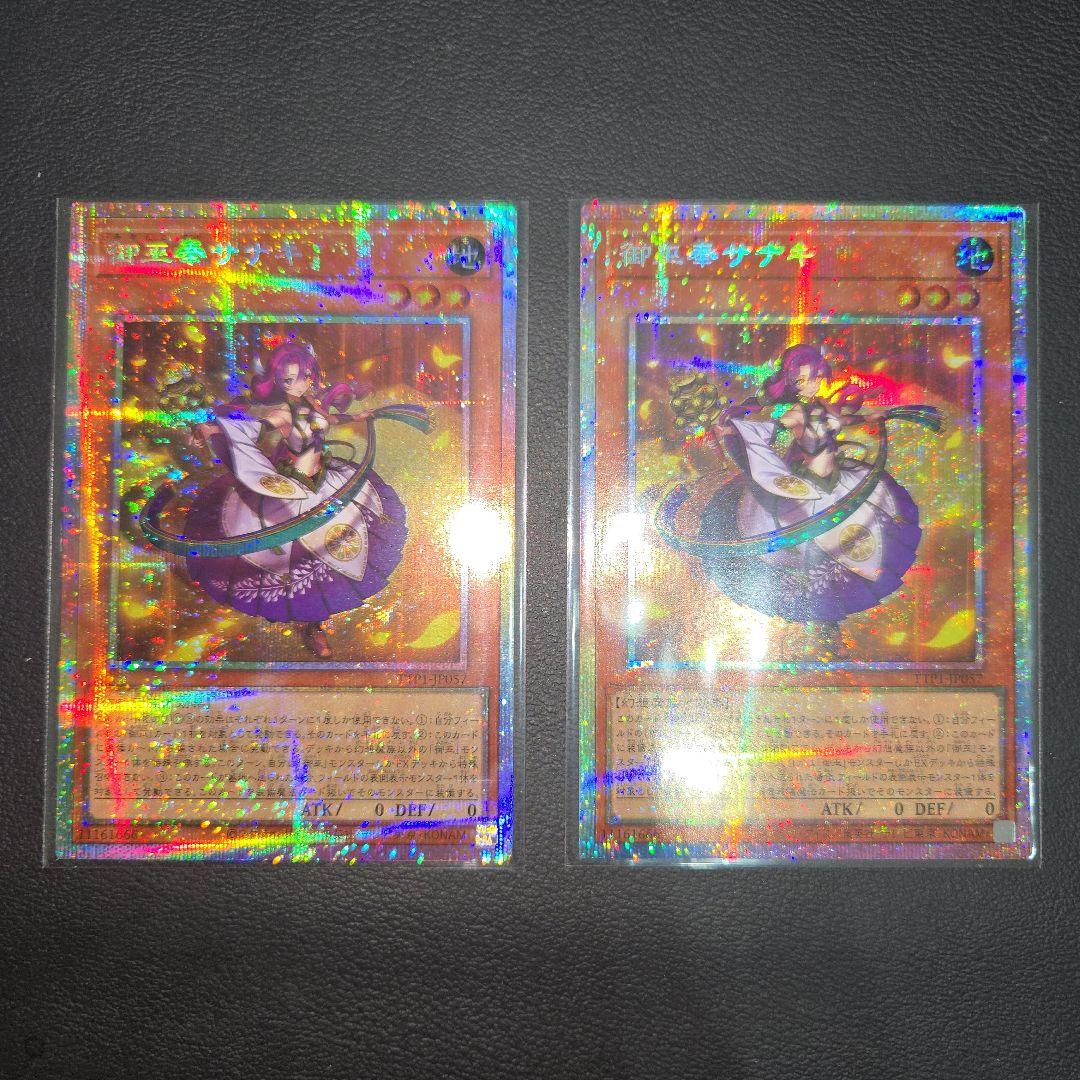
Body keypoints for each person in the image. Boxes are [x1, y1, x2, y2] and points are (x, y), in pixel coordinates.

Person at [144, 340, 427, 658]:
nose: (296, 385)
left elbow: (331, 421)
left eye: (302, 377)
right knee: (295, 561)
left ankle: (314, 624)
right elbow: (250, 428)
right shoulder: (281, 413)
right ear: (277, 382)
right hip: (292, 491)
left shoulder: (314, 404)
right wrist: (212, 430)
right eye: (287, 380)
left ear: (311, 375)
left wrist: (365, 415)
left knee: (337, 551)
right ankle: (311, 625)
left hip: (324, 481)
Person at [656, 344, 939, 628]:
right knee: (820, 541)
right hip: (811, 484)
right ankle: (824, 610)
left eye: (815, 377)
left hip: (836, 478)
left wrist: (870, 416)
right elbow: (768, 428)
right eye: (802, 380)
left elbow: (840, 420)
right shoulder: (796, 414)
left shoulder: (823, 406)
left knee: (869, 523)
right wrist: (734, 428)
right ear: (792, 383)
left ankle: (852, 581)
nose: (811, 384)